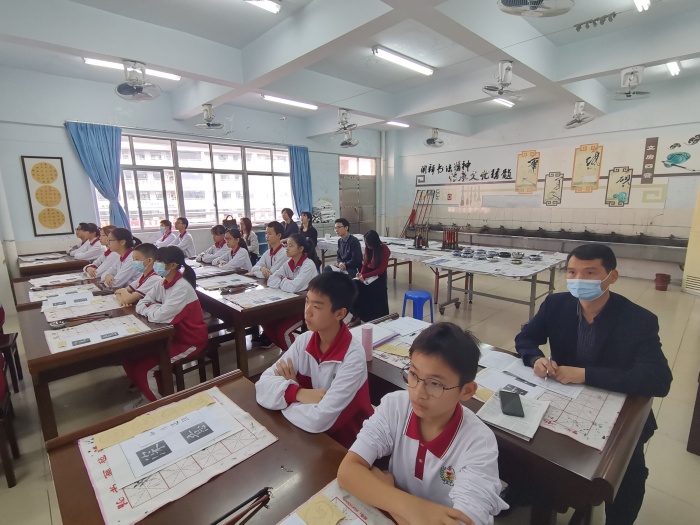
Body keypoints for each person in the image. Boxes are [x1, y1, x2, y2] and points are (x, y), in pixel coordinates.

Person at [513, 244, 672, 525]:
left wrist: (586, 375)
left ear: (612, 276)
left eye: (590, 273)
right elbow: (525, 338)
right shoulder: (556, 305)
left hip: (616, 409)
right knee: (525, 446)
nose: (579, 280)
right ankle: (528, 491)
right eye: (572, 272)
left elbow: (658, 379)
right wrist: (536, 358)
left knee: (626, 476)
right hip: (564, 397)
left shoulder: (638, 320)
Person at [338, 323, 507, 525]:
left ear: (467, 391)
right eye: (413, 374)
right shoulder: (396, 406)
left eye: (435, 384)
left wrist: (387, 494)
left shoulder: (478, 442)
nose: (418, 393)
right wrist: (407, 507)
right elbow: (347, 472)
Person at [255, 272, 372, 448]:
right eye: (306, 301)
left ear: (340, 314)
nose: (307, 312)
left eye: (316, 306)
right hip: (305, 436)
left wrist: (280, 398)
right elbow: (262, 385)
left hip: (346, 445)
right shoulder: (304, 341)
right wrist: (298, 393)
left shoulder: (353, 357)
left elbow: (318, 420)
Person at [126, 246, 208, 406]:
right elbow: (141, 303)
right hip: (169, 337)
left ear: (173, 265)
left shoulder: (182, 288)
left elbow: (161, 316)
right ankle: (155, 394)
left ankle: (158, 406)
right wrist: (156, 308)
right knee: (129, 358)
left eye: (159, 261)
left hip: (189, 341)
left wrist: (154, 308)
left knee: (144, 368)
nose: (155, 264)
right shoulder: (162, 282)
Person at [258, 234, 321, 351]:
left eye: (291, 246)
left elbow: (294, 287)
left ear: (300, 248)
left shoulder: (308, 265)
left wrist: (283, 280)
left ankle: (294, 357)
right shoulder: (289, 263)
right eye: (286, 245)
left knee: (283, 331)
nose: (286, 248)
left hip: (305, 308)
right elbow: (271, 280)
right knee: (266, 321)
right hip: (289, 305)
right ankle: (287, 351)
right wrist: (287, 282)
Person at [351, 230, 391, 323]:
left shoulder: (384, 249)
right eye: (366, 243)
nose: (368, 245)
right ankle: (357, 315)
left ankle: (373, 317)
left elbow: (381, 270)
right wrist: (361, 274)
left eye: (369, 243)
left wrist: (365, 276)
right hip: (368, 275)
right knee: (353, 285)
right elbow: (365, 264)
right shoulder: (368, 248)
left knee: (371, 290)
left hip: (378, 277)